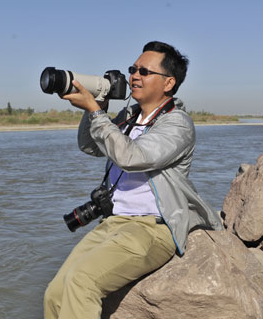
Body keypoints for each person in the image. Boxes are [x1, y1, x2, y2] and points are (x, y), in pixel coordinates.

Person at [43, 41, 223, 318]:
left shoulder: (177, 124)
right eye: (133, 69)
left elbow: (132, 157)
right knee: (55, 292)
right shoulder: (129, 117)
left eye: (144, 71)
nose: (134, 76)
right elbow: (90, 146)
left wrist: (95, 112)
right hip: (113, 223)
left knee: (82, 282)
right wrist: (96, 107)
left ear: (168, 82)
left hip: (151, 227)